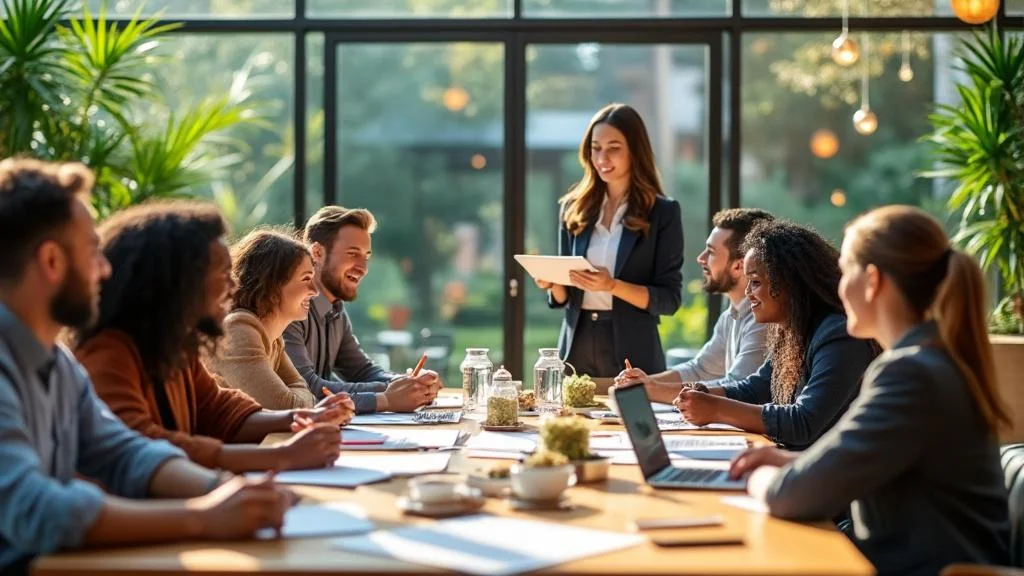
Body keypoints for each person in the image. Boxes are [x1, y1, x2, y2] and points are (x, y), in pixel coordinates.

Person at [0, 159, 293, 575]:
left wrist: (222, 489)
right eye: (91, 252)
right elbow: (37, 510)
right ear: (51, 261)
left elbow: (124, 451)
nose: (105, 269)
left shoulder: (57, 362)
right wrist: (204, 517)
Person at [729, 206, 1011, 575]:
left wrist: (755, 479)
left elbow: (788, 497)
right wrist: (787, 462)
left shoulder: (911, 374)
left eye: (845, 272)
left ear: (873, 280)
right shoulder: (929, 360)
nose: (837, 285)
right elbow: (879, 466)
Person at [74, 201, 354, 474]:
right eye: (222, 273)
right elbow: (143, 447)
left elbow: (222, 411)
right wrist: (279, 455)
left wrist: (306, 417)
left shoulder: (176, 348)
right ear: (180, 280)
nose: (233, 285)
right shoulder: (109, 352)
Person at [672, 220, 877, 451]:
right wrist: (702, 394)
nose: (748, 293)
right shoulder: (791, 330)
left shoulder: (839, 336)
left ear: (789, 283)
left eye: (756, 282)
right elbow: (757, 387)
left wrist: (716, 409)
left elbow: (803, 422)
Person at [536, 103, 684, 378]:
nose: (602, 157)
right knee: (571, 422)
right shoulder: (573, 208)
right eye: (596, 147)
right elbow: (565, 299)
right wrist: (552, 282)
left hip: (634, 350)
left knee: (633, 421)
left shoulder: (663, 213)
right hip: (576, 346)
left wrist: (612, 285)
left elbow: (669, 299)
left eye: (613, 147)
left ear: (634, 151)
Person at [283, 206, 441, 414]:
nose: (363, 268)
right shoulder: (290, 310)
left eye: (366, 256)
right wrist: (391, 394)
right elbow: (307, 388)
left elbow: (362, 370)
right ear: (317, 253)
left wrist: (408, 383)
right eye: (352, 254)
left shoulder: (336, 311)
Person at [613, 208, 774, 403]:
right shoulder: (731, 316)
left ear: (739, 266)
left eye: (711, 252)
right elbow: (699, 369)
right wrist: (644, 383)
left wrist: (650, 390)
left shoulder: (763, 320)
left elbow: (738, 386)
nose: (701, 258)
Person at [204, 229, 320, 409]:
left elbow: (300, 391)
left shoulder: (272, 338)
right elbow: (285, 406)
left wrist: (303, 399)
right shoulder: (239, 329)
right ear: (272, 285)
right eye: (306, 279)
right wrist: (305, 400)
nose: (315, 290)